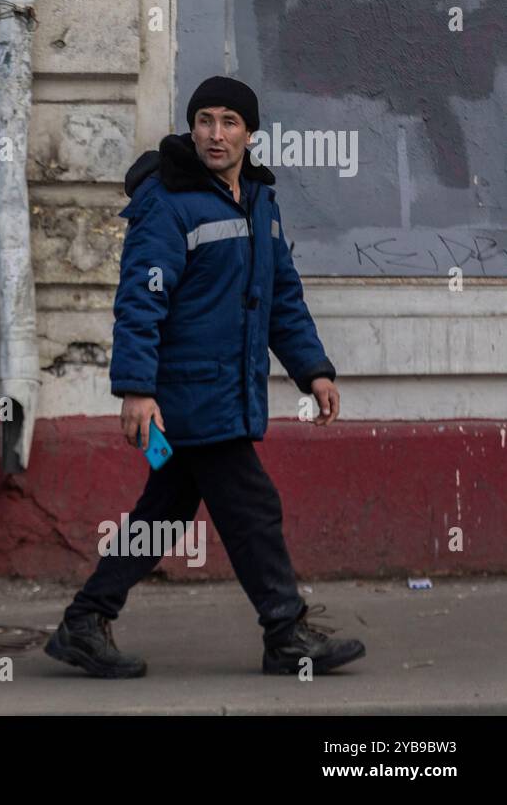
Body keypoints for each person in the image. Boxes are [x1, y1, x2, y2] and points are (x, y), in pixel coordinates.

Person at [45, 75, 366, 678]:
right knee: (252, 506)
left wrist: (313, 372)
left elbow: (282, 300)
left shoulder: (260, 203)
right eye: (204, 121)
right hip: (189, 392)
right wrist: (138, 390)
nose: (214, 135)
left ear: (250, 133)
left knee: (163, 512)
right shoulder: (167, 202)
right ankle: (285, 631)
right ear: (191, 128)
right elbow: (141, 301)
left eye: (228, 122)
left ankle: (84, 622)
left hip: (227, 388)